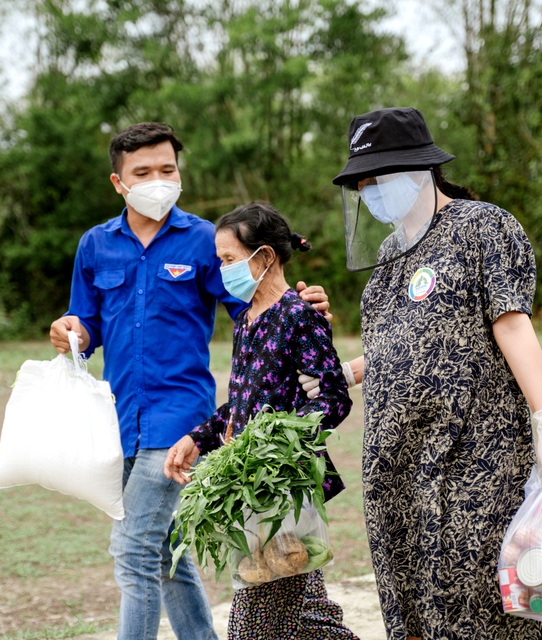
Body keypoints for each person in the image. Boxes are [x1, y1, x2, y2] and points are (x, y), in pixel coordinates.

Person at [48, 122, 331, 640]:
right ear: (118, 182)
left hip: (183, 419)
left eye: (168, 169)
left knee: (133, 548)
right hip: (120, 419)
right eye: (144, 172)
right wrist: (69, 329)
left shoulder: (206, 240)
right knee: (165, 553)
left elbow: (258, 301)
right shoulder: (95, 246)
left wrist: (304, 304)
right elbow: (85, 326)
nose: (158, 179)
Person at [325, 106, 542, 640]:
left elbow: (511, 325)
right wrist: (348, 370)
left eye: (380, 179)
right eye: (362, 183)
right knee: (411, 598)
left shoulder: (482, 226)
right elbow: (409, 342)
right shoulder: (390, 254)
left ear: (422, 169)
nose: (371, 193)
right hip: (396, 463)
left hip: (475, 455)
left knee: (482, 594)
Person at [163, 202, 360, 640]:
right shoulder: (248, 320)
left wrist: (268, 450)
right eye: (220, 260)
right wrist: (197, 439)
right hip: (252, 496)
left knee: (256, 624)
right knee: (307, 619)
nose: (223, 269)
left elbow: (331, 400)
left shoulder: (298, 316)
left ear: (265, 256)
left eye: (230, 259)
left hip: (278, 492)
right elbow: (241, 403)